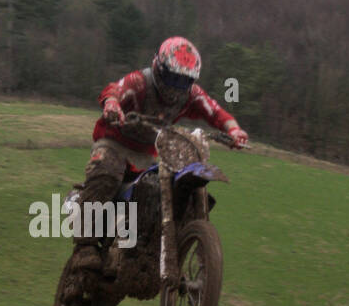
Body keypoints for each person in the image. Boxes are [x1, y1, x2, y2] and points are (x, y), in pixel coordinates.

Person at [73, 36, 248, 268]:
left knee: (158, 190)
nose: (176, 86)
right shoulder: (140, 82)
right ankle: (85, 244)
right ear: (158, 68)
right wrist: (112, 104)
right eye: (172, 77)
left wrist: (234, 130)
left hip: (147, 154)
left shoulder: (192, 95)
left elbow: (214, 111)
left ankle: (152, 247)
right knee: (107, 172)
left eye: (183, 81)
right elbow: (115, 89)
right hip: (114, 143)